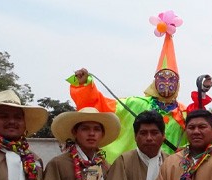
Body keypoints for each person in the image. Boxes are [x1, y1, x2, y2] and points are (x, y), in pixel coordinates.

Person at [68, 18, 189, 162]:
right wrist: (84, 85)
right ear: (154, 82)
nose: (167, 83)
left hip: (170, 170)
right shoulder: (136, 103)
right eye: (162, 78)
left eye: (172, 79)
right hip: (137, 168)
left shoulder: (184, 113)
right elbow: (102, 107)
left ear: (178, 84)